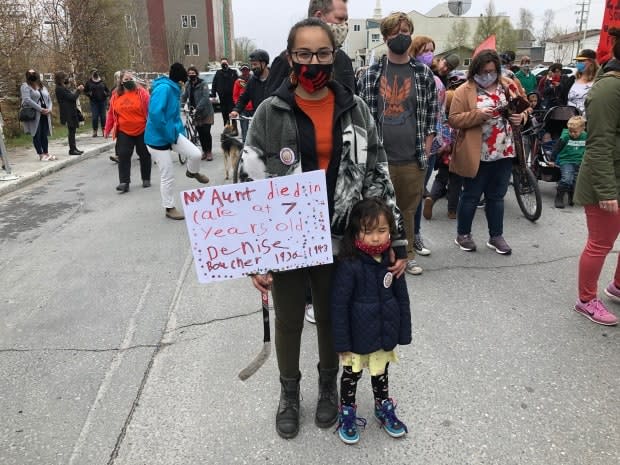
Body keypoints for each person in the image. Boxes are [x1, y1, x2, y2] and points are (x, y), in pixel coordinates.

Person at [241, 17, 408, 440]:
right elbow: (249, 181)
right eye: (304, 54)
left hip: (341, 239)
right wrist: (254, 256)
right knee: (290, 319)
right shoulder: (269, 111)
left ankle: (328, 387)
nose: (313, 62)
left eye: (322, 53)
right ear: (289, 57)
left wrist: (397, 238)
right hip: (288, 241)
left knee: (335, 317)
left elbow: (377, 172)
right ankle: (289, 393)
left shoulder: (355, 108)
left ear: (334, 56)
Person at [358, 11, 439, 275]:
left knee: (407, 210)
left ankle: (407, 255)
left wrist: (425, 151)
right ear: (385, 37)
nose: (401, 37)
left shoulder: (423, 74)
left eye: (406, 32)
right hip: (380, 158)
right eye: (396, 32)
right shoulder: (370, 75)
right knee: (376, 211)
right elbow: (363, 119)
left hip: (412, 157)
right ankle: (376, 255)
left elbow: (430, 116)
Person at [331, 198, 411, 444]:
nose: (376, 238)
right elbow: (339, 305)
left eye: (382, 230)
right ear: (356, 232)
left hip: (382, 334)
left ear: (390, 231)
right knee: (351, 376)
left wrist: (403, 332)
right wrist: (341, 341)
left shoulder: (392, 261)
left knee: (381, 373)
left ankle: (383, 405)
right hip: (356, 338)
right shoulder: (349, 264)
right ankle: (346, 410)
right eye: (368, 231)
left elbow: (402, 298)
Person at [448, 49, 529, 255]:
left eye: (492, 71)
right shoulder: (464, 90)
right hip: (477, 153)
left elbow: (525, 108)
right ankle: (463, 234)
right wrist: (478, 115)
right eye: (483, 71)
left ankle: (496, 236)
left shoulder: (508, 85)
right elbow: (454, 119)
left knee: (497, 196)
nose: (487, 75)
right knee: (471, 196)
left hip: (504, 151)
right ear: (475, 70)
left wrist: (522, 118)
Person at [572, 40, 620, 326]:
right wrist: (606, 190)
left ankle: (617, 286)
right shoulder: (608, 88)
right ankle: (586, 300)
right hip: (607, 179)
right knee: (600, 243)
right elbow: (599, 143)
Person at [144, 63, 210, 221]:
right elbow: (155, 114)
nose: (184, 85)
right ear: (179, 80)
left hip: (171, 133)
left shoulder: (173, 88)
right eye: (183, 82)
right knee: (168, 174)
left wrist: (179, 133)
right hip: (156, 139)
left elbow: (174, 116)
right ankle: (169, 207)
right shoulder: (164, 89)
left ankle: (192, 172)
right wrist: (170, 135)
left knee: (195, 154)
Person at [267, 0, 356, 95]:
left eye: (346, 20)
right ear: (318, 17)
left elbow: (352, 101)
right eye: (340, 19)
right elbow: (273, 103)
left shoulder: (344, 59)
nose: (344, 25)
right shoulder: (286, 60)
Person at [104, 70, 151, 193]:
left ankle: (146, 178)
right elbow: (111, 114)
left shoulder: (142, 93)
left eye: (131, 79)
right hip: (124, 130)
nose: (129, 81)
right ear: (121, 81)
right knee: (123, 155)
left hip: (142, 129)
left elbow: (151, 109)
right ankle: (124, 182)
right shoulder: (116, 95)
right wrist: (107, 129)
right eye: (126, 80)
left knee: (144, 154)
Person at [550, 115, 587, 208]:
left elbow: (589, 148)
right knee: (567, 179)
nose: (572, 134)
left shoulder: (585, 136)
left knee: (575, 181)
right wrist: (552, 159)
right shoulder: (565, 137)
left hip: (579, 161)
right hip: (566, 161)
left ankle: (571, 196)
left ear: (582, 129)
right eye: (570, 131)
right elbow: (556, 148)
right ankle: (559, 197)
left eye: (575, 132)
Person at [229, 50, 271, 127]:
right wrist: (236, 110)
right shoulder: (252, 81)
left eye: (255, 64)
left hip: (274, 120)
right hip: (259, 120)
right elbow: (243, 98)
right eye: (252, 65)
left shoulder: (275, 79)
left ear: (264, 63)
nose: (253, 67)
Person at [20, 69, 54, 161]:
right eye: (30, 73)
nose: (32, 75)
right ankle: (41, 154)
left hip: (45, 113)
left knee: (44, 134)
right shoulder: (25, 86)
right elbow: (27, 99)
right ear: (27, 75)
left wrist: (49, 109)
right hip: (35, 114)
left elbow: (49, 99)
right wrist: (40, 109)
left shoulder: (42, 86)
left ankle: (46, 153)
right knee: (36, 133)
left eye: (34, 73)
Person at [182, 66, 214, 160]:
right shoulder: (188, 84)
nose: (191, 75)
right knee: (200, 132)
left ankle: (209, 152)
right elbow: (184, 96)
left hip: (206, 111)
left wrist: (198, 108)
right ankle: (204, 151)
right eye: (190, 73)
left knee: (206, 132)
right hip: (195, 113)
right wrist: (180, 105)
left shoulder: (203, 84)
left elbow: (205, 97)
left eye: (193, 73)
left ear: (196, 73)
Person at [54, 71, 84, 156]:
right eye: (64, 78)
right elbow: (72, 97)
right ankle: (72, 149)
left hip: (70, 111)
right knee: (71, 130)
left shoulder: (63, 87)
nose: (66, 79)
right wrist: (78, 90)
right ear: (61, 79)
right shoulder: (59, 89)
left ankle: (74, 148)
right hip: (67, 112)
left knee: (73, 130)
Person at [567, 49, 598, 117]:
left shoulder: (598, 81)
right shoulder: (572, 80)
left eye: (582, 61)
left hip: (588, 122)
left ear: (591, 62)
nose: (579, 63)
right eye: (578, 61)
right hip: (571, 122)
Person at [210, 58, 237, 126]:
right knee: (224, 113)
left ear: (228, 63)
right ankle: (227, 127)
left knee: (232, 113)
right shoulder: (218, 73)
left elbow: (237, 83)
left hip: (231, 97)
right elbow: (214, 84)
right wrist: (213, 94)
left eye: (225, 63)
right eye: (222, 63)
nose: (224, 64)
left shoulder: (233, 72)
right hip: (222, 97)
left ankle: (234, 128)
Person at [84, 69, 110, 137]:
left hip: (102, 101)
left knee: (103, 117)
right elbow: (85, 91)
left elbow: (108, 91)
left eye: (96, 72)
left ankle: (104, 130)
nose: (95, 74)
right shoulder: (88, 82)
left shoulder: (102, 82)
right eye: (93, 73)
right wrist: (89, 94)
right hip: (94, 102)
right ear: (91, 74)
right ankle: (95, 131)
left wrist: (106, 94)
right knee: (95, 117)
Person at [231, 64, 253, 142]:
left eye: (246, 70)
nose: (245, 71)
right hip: (243, 109)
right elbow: (235, 95)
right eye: (243, 70)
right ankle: (245, 145)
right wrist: (238, 106)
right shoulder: (238, 81)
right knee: (244, 129)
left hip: (253, 108)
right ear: (241, 71)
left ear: (249, 70)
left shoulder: (253, 80)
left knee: (256, 128)